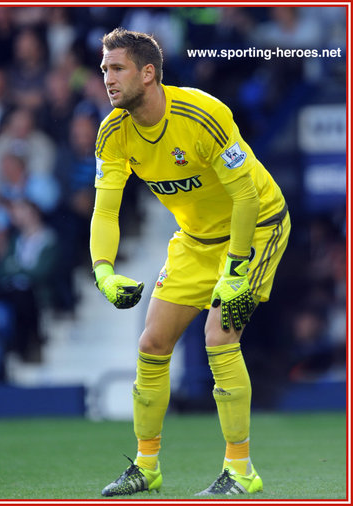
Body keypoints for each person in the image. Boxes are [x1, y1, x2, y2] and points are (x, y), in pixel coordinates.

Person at [90, 28, 290, 497]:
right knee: (153, 343)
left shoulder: (201, 113)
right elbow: (105, 209)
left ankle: (241, 471)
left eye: (117, 69)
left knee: (218, 335)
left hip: (258, 226)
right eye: (104, 70)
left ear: (148, 72)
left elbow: (244, 195)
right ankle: (146, 466)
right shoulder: (113, 132)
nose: (108, 79)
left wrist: (237, 270)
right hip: (195, 240)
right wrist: (102, 269)